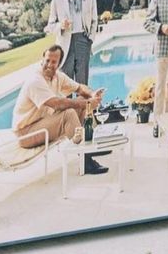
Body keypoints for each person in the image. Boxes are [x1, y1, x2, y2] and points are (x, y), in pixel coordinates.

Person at [12, 45, 109, 174]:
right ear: (42, 59)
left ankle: (89, 146)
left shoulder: (58, 76)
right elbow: (57, 104)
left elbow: (80, 88)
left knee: (80, 101)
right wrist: (88, 104)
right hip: (25, 133)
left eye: (53, 62)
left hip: (40, 123)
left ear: (59, 63)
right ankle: (86, 160)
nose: (49, 64)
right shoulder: (35, 80)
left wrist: (92, 95)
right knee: (68, 113)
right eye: (47, 60)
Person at [45, 0, 98, 85]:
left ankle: (84, 103)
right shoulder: (57, 1)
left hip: (83, 40)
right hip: (64, 43)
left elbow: (94, 20)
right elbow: (49, 26)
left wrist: (90, 39)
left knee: (82, 80)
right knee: (65, 80)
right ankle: (67, 103)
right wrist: (61, 26)